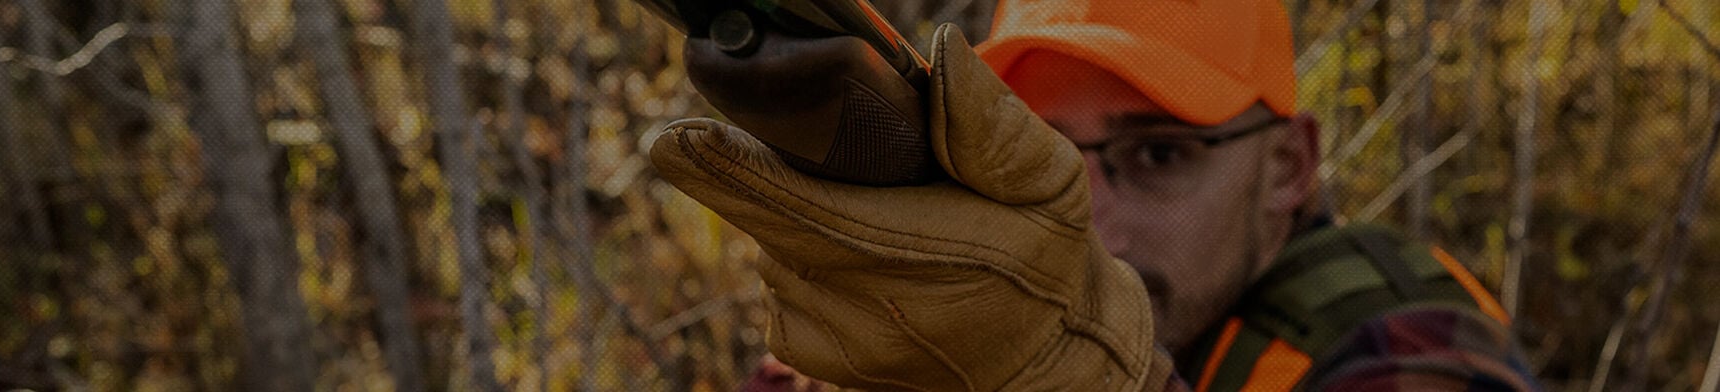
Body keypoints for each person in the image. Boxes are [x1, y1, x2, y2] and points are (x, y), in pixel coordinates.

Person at [649, 0, 1541, 390]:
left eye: (1157, 154)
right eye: (1042, 154)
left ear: (1286, 168)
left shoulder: (1405, 339)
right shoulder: (950, 295)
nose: (1089, 219)